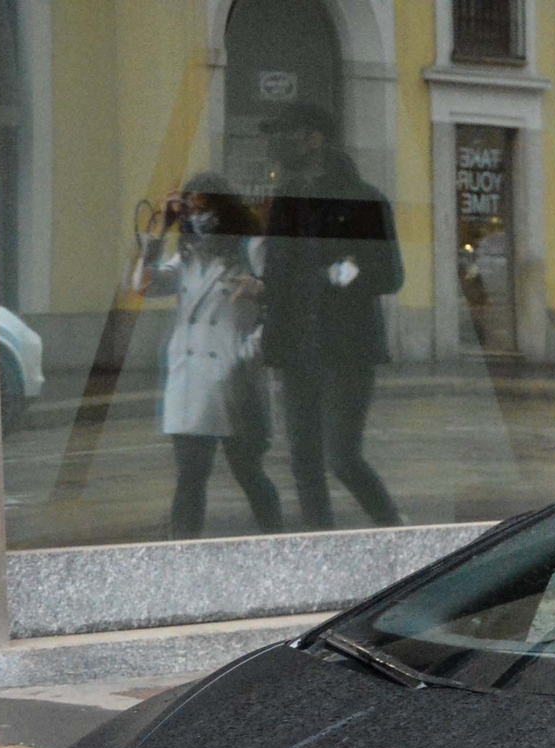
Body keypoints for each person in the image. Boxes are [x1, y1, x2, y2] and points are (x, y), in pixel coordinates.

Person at [258, 102, 403, 528]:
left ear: (314, 138)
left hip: (347, 347)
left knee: (341, 456)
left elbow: (389, 273)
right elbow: (280, 274)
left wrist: (337, 274)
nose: (275, 144)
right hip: (295, 346)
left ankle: (393, 527)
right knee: (304, 465)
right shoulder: (286, 202)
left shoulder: (364, 200)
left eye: (286, 133)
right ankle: (319, 550)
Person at [131, 174, 283, 540]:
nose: (198, 218)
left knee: (248, 472)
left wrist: (247, 351)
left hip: (235, 380)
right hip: (190, 382)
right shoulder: (185, 257)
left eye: (205, 208)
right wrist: (159, 231)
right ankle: (182, 556)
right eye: (191, 209)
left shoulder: (251, 249)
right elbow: (142, 285)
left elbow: (282, 305)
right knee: (189, 479)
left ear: (223, 210)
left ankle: (279, 541)